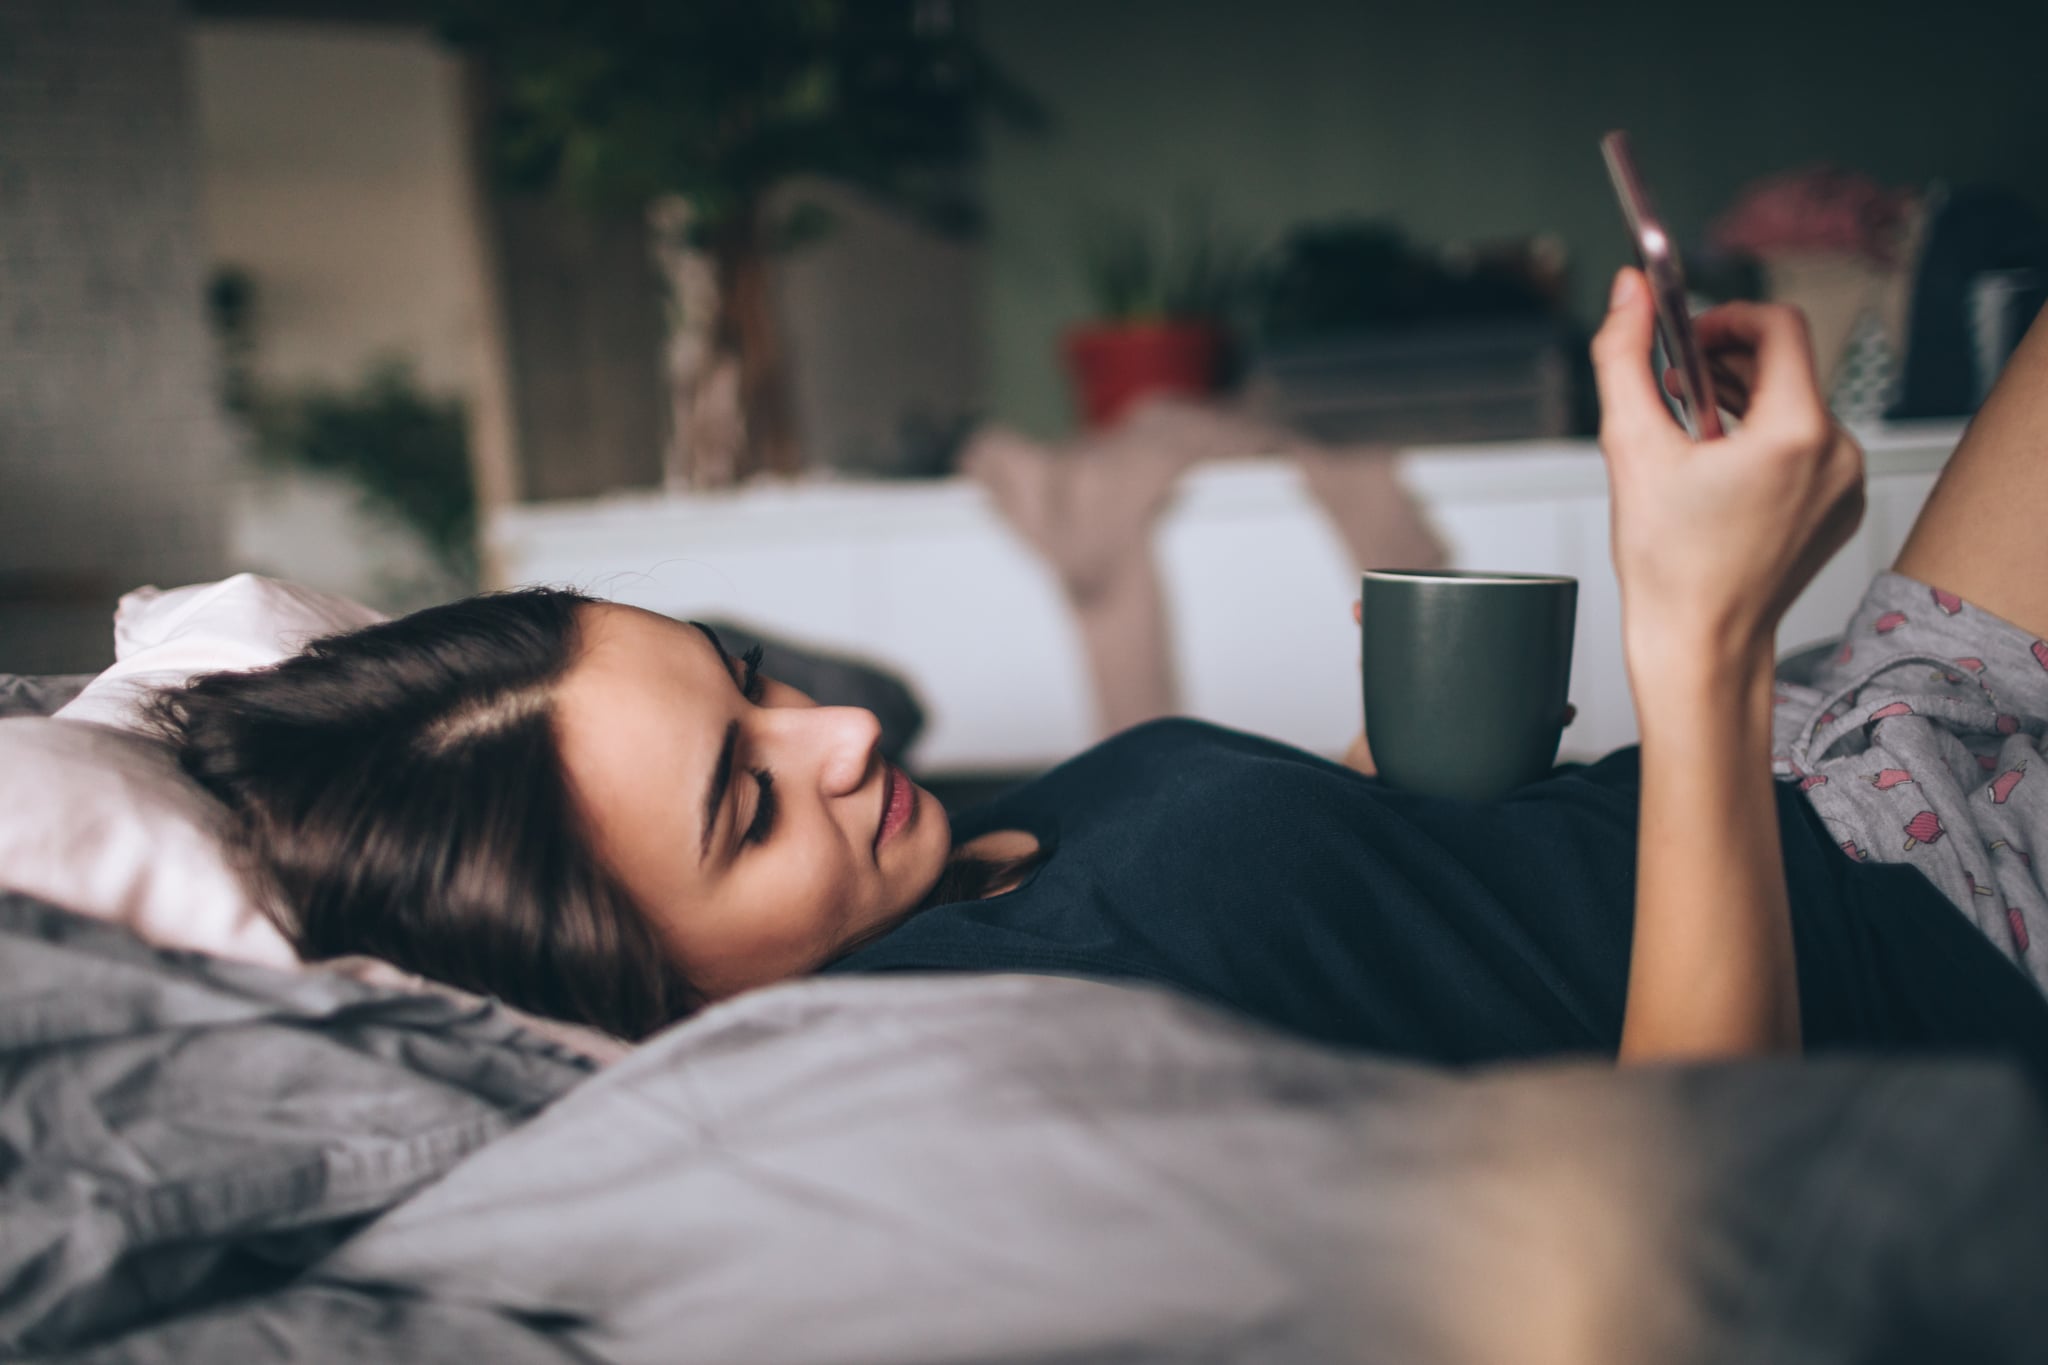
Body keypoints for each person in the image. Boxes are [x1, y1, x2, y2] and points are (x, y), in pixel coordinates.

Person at [153, 272, 2048, 1081]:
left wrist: (1410, 744)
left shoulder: (935, 881)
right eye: (745, 801)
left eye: (742, 681)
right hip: (1963, 928)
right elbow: (1709, 1194)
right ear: (633, 999)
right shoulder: (973, 1061)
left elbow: (1358, 913)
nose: (843, 730)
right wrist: (1695, 637)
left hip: (1849, 759)